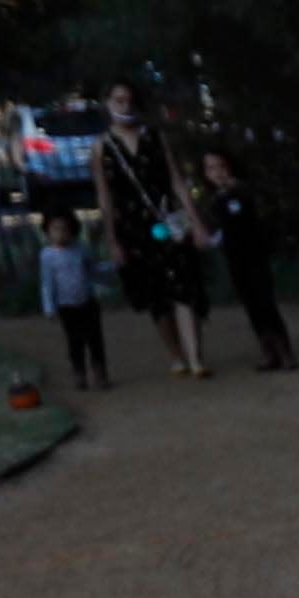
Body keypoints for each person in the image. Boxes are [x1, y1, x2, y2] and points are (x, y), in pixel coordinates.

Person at [96, 82, 212, 381]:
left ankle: (195, 355)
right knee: (155, 294)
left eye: (129, 100)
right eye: (118, 100)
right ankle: (176, 354)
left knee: (183, 284)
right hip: (134, 228)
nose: (125, 106)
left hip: (168, 218)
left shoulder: (155, 138)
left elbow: (176, 180)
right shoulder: (102, 148)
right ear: (108, 103)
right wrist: (112, 239)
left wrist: (195, 220)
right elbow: (105, 197)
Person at [205, 149, 297, 372]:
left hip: (256, 256)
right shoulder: (215, 201)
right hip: (235, 259)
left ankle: (285, 351)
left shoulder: (244, 191)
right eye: (210, 168)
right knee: (251, 305)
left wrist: (236, 188)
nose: (217, 173)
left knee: (265, 301)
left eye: (220, 166)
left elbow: (256, 214)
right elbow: (219, 231)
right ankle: (268, 350)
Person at [35, 225, 108, 390]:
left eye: (64, 229)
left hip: (87, 301)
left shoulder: (81, 249)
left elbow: (94, 269)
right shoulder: (47, 255)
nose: (61, 234)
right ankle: (79, 372)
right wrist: (49, 307)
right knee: (74, 341)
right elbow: (47, 283)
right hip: (66, 305)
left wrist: (112, 267)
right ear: (48, 233)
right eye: (56, 229)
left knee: (94, 338)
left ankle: (100, 372)